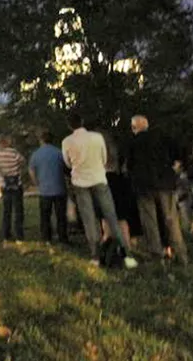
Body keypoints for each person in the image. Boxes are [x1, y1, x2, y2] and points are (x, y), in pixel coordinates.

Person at [61, 113, 138, 269]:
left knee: (89, 219)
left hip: (80, 182)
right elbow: (104, 158)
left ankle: (95, 255)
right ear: (82, 121)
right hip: (99, 178)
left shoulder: (67, 141)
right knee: (111, 216)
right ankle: (126, 255)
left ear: (69, 126)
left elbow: (68, 163)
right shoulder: (97, 137)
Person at [125, 115, 188, 265]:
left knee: (150, 221)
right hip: (165, 184)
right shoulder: (163, 138)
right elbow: (179, 155)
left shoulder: (133, 142)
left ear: (134, 128)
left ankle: (156, 255)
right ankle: (180, 255)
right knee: (171, 220)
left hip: (144, 186)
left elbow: (129, 165)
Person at [28, 129, 69, 244]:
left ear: (41, 140)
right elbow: (66, 168)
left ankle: (46, 238)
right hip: (59, 188)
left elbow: (31, 170)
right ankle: (63, 237)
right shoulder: (59, 152)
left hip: (44, 190)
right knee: (61, 216)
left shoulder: (36, 154)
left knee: (45, 216)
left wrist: (36, 183)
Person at [0, 134, 25, 244]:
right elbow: (22, 161)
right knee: (18, 210)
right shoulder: (13, 152)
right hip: (16, 183)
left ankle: (6, 235)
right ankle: (19, 236)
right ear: (6, 140)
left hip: (4, 184)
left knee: (7, 210)